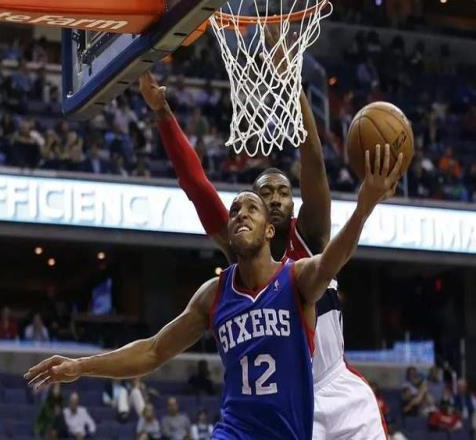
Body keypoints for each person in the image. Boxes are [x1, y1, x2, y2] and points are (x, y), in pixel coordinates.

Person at [25, 150, 402, 438]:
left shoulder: (296, 279)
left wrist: (363, 208)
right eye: (235, 209)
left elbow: (333, 259)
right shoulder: (214, 294)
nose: (241, 213)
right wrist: (81, 366)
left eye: (252, 208)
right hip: (234, 431)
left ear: (270, 230)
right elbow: (154, 351)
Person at [139, 67, 389, 438]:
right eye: (265, 193)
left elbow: (313, 158)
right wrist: (163, 113)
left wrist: (291, 82)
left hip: (338, 387)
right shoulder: (241, 250)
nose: (274, 198)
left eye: (283, 192)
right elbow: (196, 185)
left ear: (293, 203)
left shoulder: (312, 234)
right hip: (289, 405)